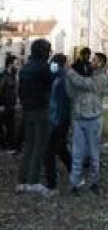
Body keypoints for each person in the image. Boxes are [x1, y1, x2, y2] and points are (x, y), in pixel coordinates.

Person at [66, 49, 108, 194]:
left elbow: (86, 84)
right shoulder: (85, 73)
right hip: (79, 118)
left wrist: (69, 72)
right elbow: (72, 92)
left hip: (94, 120)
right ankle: (74, 183)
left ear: (101, 63)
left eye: (95, 60)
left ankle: (94, 182)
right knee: (77, 153)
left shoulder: (102, 78)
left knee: (93, 154)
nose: (92, 62)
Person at [16, 39, 53, 194]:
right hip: (41, 110)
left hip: (27, 111)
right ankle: (33, 181)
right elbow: (51, 87)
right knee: (40, 146)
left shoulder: (25, 68)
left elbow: (20, 91)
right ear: (43, 51)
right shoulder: (44, 68)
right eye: (48, 50)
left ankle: (22, 181)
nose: (50, 53)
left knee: (29, 146)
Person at [44, 52, 72, 192]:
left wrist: (57, 122)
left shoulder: (62, 79)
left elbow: (61, 103)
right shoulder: (59, 77)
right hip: (60, 120)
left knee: (49, 153)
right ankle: (75, 175)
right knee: (62, 150)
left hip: (59, 121)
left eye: (53, 62)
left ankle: (52, 186)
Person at [0, 54, 17, 152]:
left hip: (11, 105)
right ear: (10, 64)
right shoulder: (3, 76)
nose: (17, 65)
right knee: (5, 126)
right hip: (4, 105)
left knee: (11, 126)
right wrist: (1, 104)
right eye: (16, 63)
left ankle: (9, 146)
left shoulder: (13, 75)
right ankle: (5, 145)